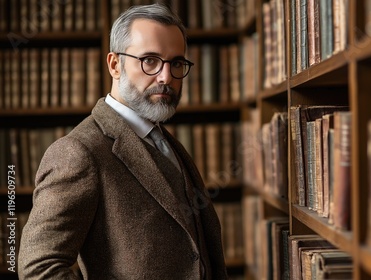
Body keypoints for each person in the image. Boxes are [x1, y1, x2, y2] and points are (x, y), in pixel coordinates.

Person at [18, 4, 228, 279]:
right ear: (115, 65)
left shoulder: (162, 139)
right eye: (150, 60)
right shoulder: (78, 152)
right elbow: (38, 269)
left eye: (176, 63)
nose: (166, 77)